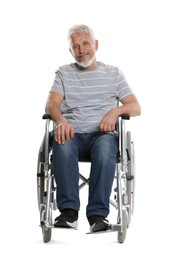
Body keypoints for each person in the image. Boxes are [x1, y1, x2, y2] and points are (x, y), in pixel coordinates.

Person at [45, 24, 141, 232]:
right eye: (76, 46)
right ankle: (68, 213)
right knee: (62, 140)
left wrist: (114, 112)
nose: (82, 49)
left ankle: (98, 216)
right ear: (71, 51)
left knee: (107, 145)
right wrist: (61, 121)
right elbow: (51, 104)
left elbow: (135, 107)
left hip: (102, 136)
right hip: (71, 133)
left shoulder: (113, 74)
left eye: (85, 43)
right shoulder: (63, 73)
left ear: (96, 44)